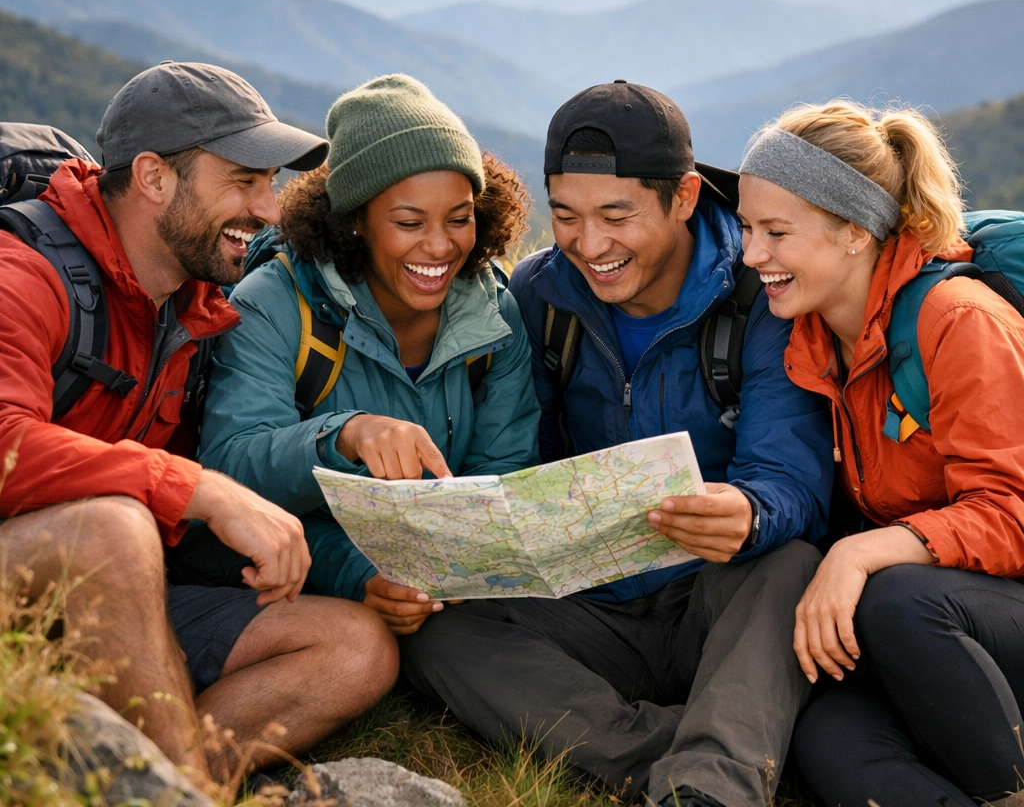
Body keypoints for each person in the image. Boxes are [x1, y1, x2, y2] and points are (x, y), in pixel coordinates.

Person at [401, 80, 834, 807]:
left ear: (686, 198)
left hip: (711, 601)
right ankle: (681, 748)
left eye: (615, 215)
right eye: (565, 216)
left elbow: (793, 480)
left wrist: (749, 512)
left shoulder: (759, 299)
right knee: (439, 631)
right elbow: (511, 454)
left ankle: (708, 790)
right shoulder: (541, 296)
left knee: (789, 565)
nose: (589, 244)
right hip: (588, 605)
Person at [0, 62, 399, 783]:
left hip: (108, 596)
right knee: (110, 527)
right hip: (32, 570)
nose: (270, 209)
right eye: (244, 181)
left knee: (355, 648)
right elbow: (5, 442)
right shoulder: (22, 275)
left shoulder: (192, 306)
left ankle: (129, 782)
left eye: (269, 183)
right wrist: (199, 490)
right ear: (154, 178)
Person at [736, 100, 1024, 806]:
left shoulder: (959, 322)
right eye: (746, 228)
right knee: (828, 738)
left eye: (776, 232)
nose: (752, 256)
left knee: (895, 599)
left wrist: (862, 552)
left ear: (855, 232)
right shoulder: (809, 342)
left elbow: (1014, 514)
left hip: (970, 608)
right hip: (949, 628)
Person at [198, 73, 541, 634]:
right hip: (308, 582)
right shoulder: (276, 305)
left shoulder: (493, 312)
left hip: (448, 583)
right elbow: (232, 472)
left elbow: (500, 472)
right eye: (409, 223)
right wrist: (346, 438)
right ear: (354, 221)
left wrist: (460, 564)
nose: (440, 245)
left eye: (460, 218)